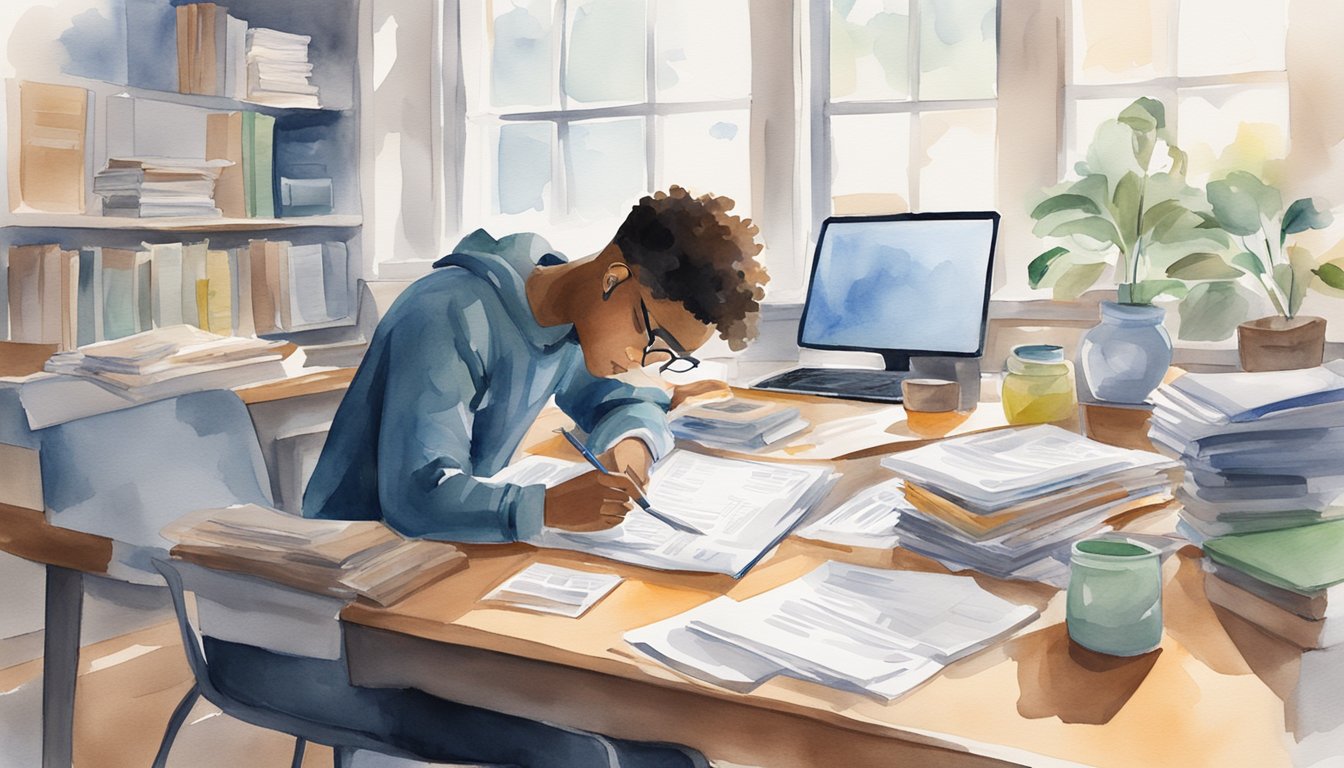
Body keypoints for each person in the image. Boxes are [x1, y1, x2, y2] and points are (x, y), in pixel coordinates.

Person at [207, 187, 768, 768]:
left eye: (668, 357)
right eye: (652, 338)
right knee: (602, 747)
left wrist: (631, 445)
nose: (645, 360)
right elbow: (417, 495)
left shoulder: (566, 317)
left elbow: (620, 400)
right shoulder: (449, 312)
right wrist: (546, 508)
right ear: (613, 278)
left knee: (653, 733)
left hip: (444, 565)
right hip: (346, 607)